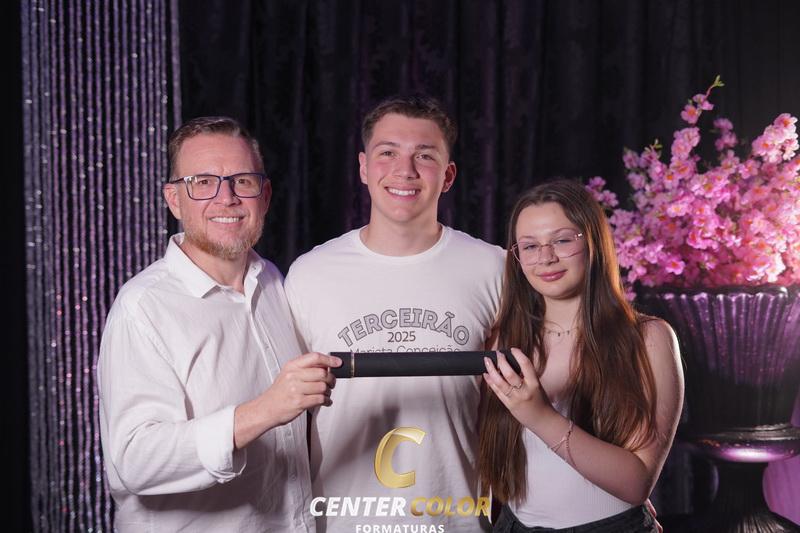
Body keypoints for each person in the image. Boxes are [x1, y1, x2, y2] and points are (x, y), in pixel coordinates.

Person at [97, 116, 341, 532]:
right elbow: (134, 459)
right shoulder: (143, 307)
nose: (226, 198)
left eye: (241, 181)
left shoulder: (273, 283)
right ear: (174, 200)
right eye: (203, 182)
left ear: (264, 196)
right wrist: (262, 411)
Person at [284, 95, 504, 532]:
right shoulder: (309, 274)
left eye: (425, 156)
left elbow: (508, 411)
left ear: (448, 175)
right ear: (364, 167)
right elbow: (291, 418)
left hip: (456, 522)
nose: (405, 170)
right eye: (388, 153)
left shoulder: (493, 268)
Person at [479, 180, 684, 532]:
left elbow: (636, 484)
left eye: (562, 240)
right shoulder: (504, 338)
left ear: (592, 242)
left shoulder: (648, 339)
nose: (546, 258)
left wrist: (539, 415)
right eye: (530, 246)